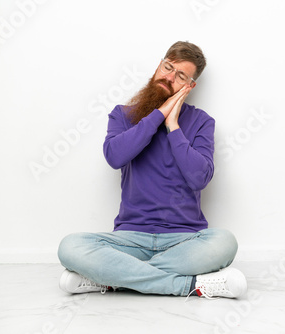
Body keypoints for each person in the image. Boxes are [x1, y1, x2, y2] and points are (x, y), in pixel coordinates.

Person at [57, 41, 247, 299]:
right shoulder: (123, 115)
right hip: (130, 239)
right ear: (159, 65)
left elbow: (199, 177)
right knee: (71, 246)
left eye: (180, 76)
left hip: (185, 240)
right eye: (167, 67)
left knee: (225, 242)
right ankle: (189, 286)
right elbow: (115, 156)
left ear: (190, 86)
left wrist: (173, 125)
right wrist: (158, 115)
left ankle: (112, 279)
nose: (169, 77)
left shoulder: (202, 122)